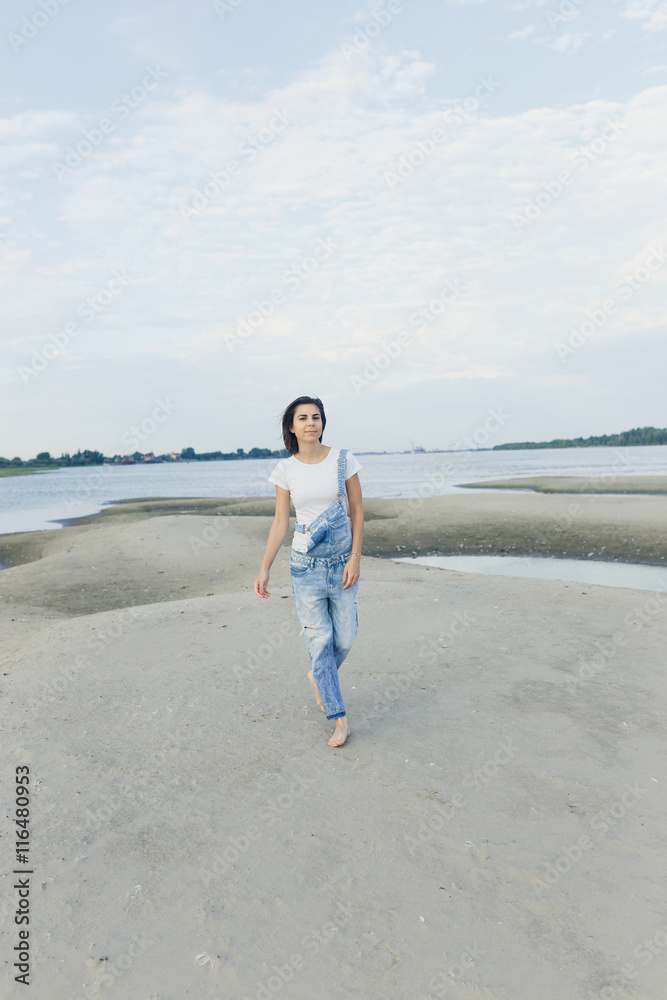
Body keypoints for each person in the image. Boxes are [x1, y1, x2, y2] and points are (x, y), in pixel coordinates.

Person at [253, 395, 364, 747]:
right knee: (320, 642)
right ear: (292, 426)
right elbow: (280, 522)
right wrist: (265, 568)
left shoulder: (343, 460)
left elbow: (358, 513)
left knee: (345, 638)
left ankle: (319, 675)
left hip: (342, 564)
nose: (310, 423)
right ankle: (339, 720)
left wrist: (356, 557)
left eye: (315, 417)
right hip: (305, 569)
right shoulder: (285, 470)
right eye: (302, 418)